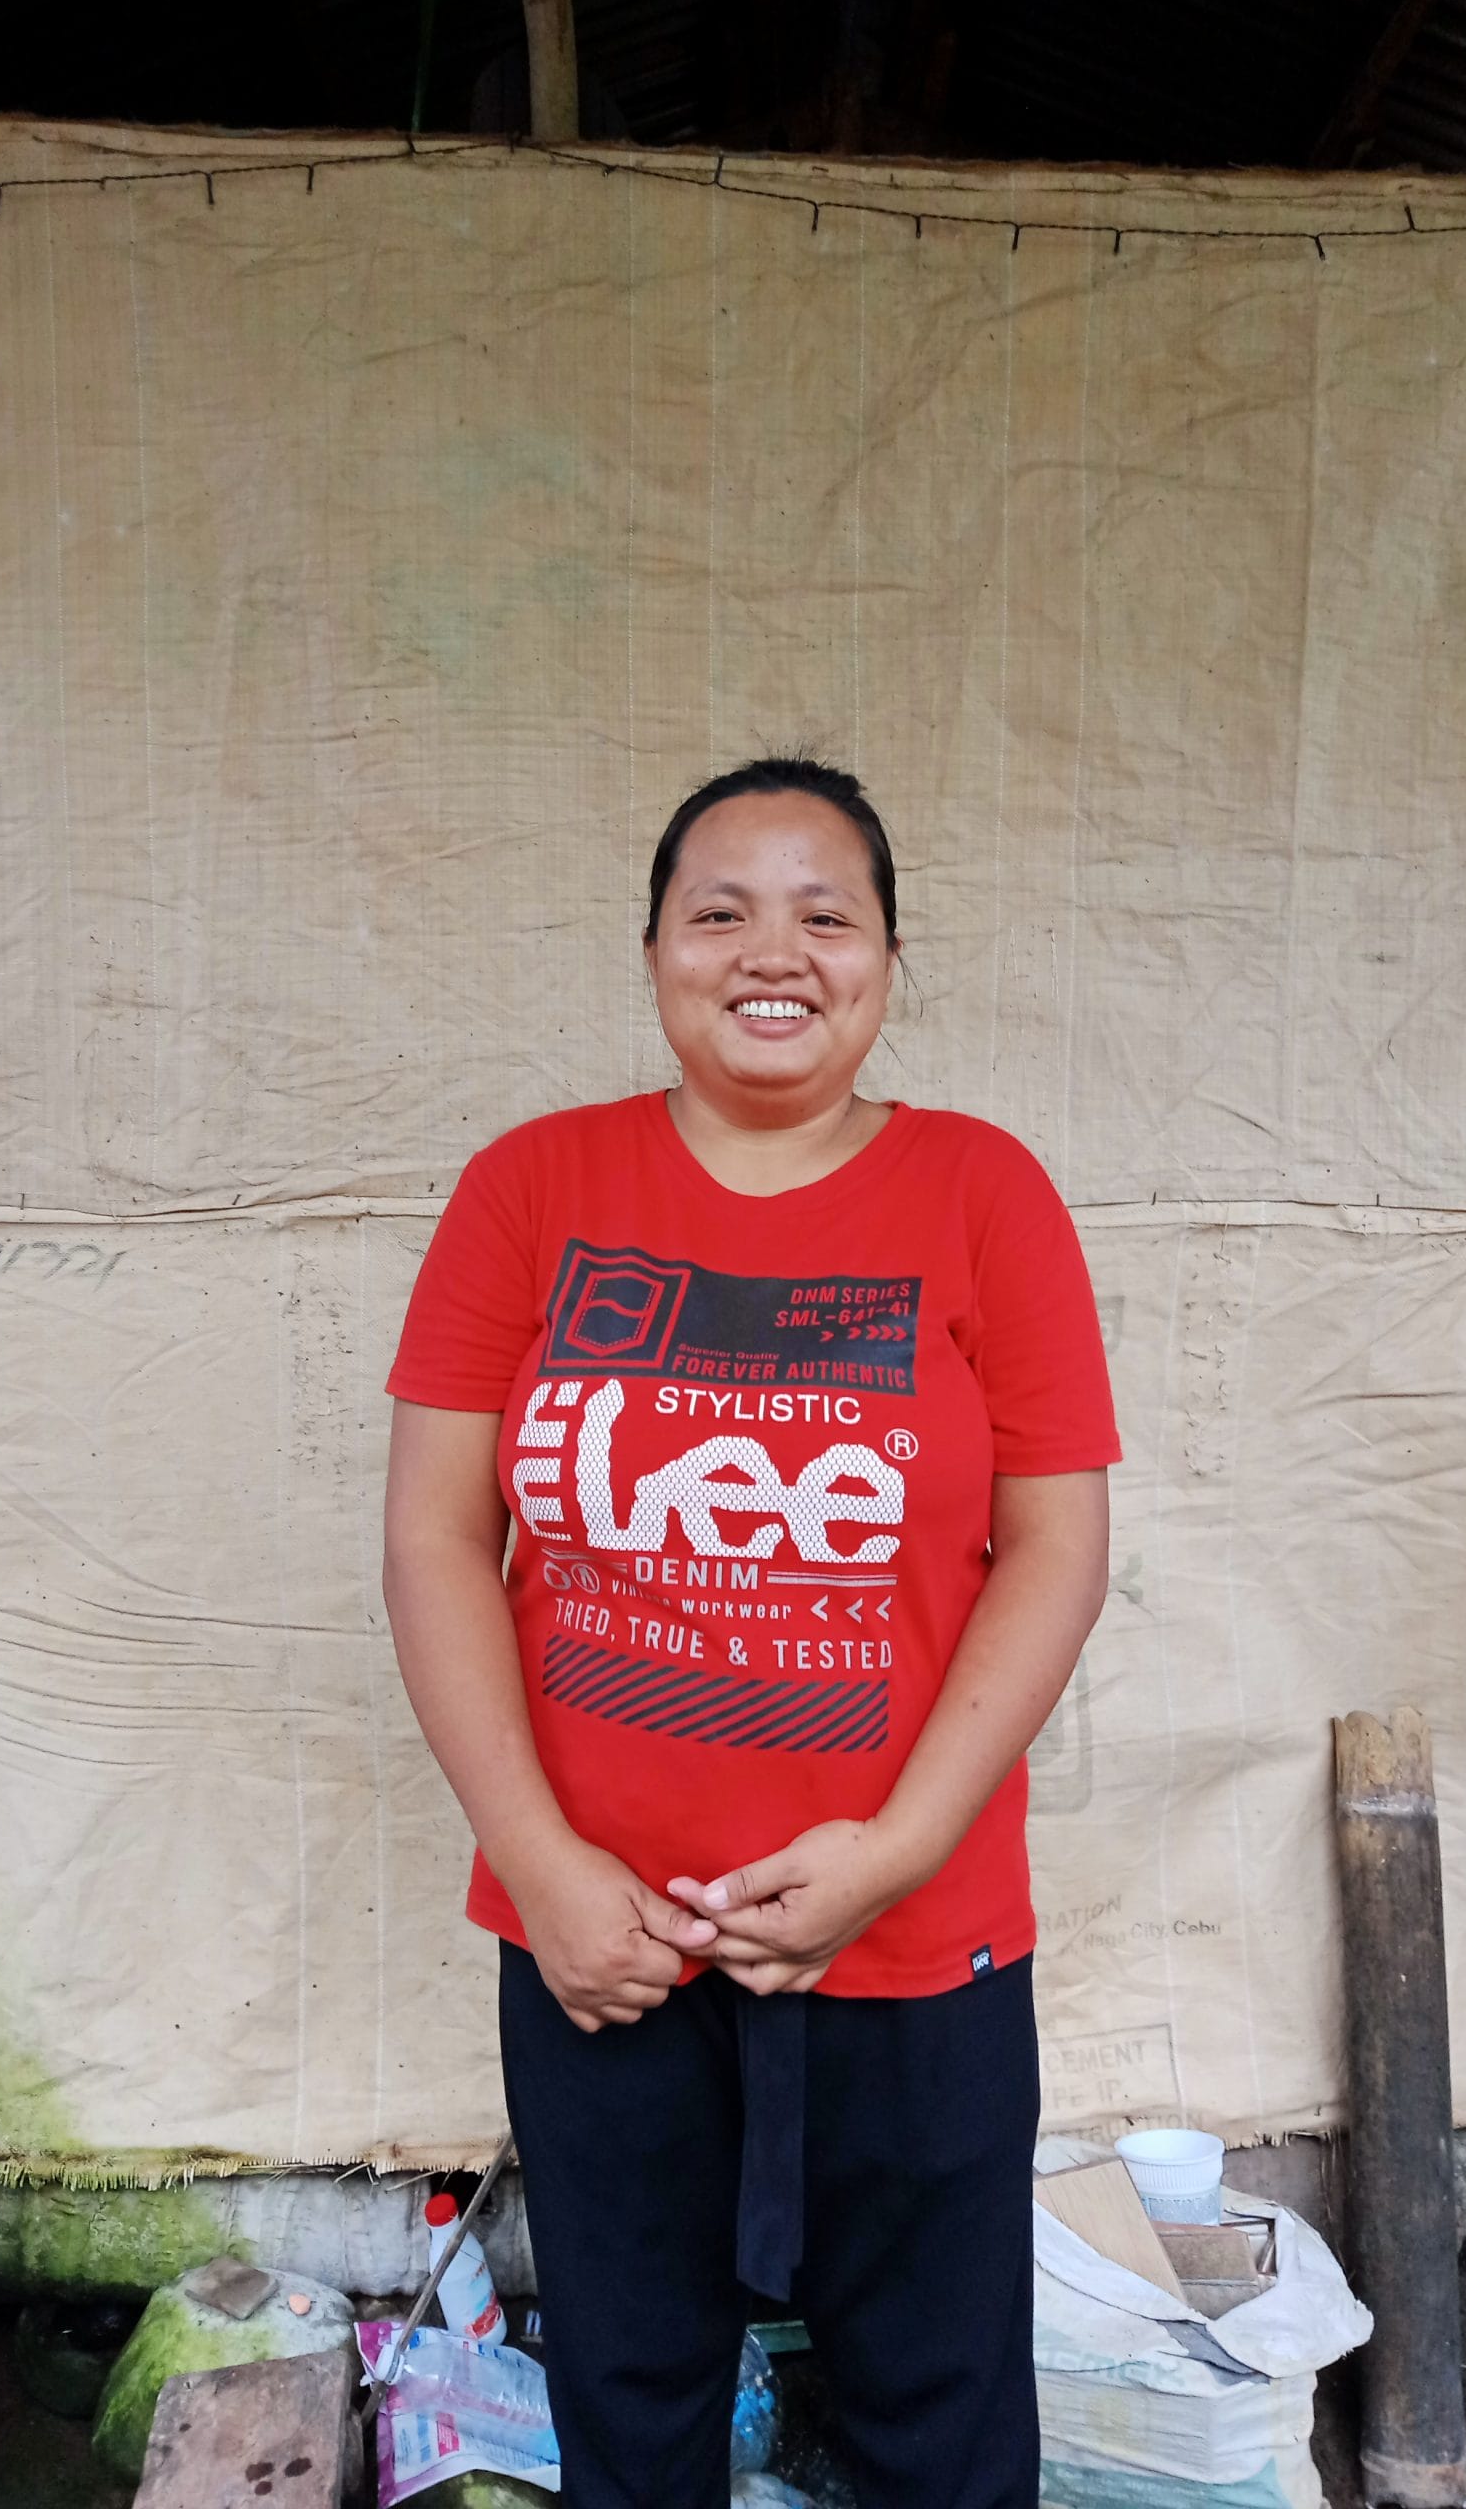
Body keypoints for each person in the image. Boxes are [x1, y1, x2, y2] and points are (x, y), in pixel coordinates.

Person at [382, 759, 1119, 2509]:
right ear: (653, 950)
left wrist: (900, 1848)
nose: (769, 951)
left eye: (825, 912)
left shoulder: (982, 1194)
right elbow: (432, 1539)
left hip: (915, 1940)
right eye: (719, 910)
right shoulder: (531, 1189)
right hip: (603, 1947)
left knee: (937, 2419)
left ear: (884, 958)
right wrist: (541, 1866)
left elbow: (1056, 1548)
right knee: (634, 2410)